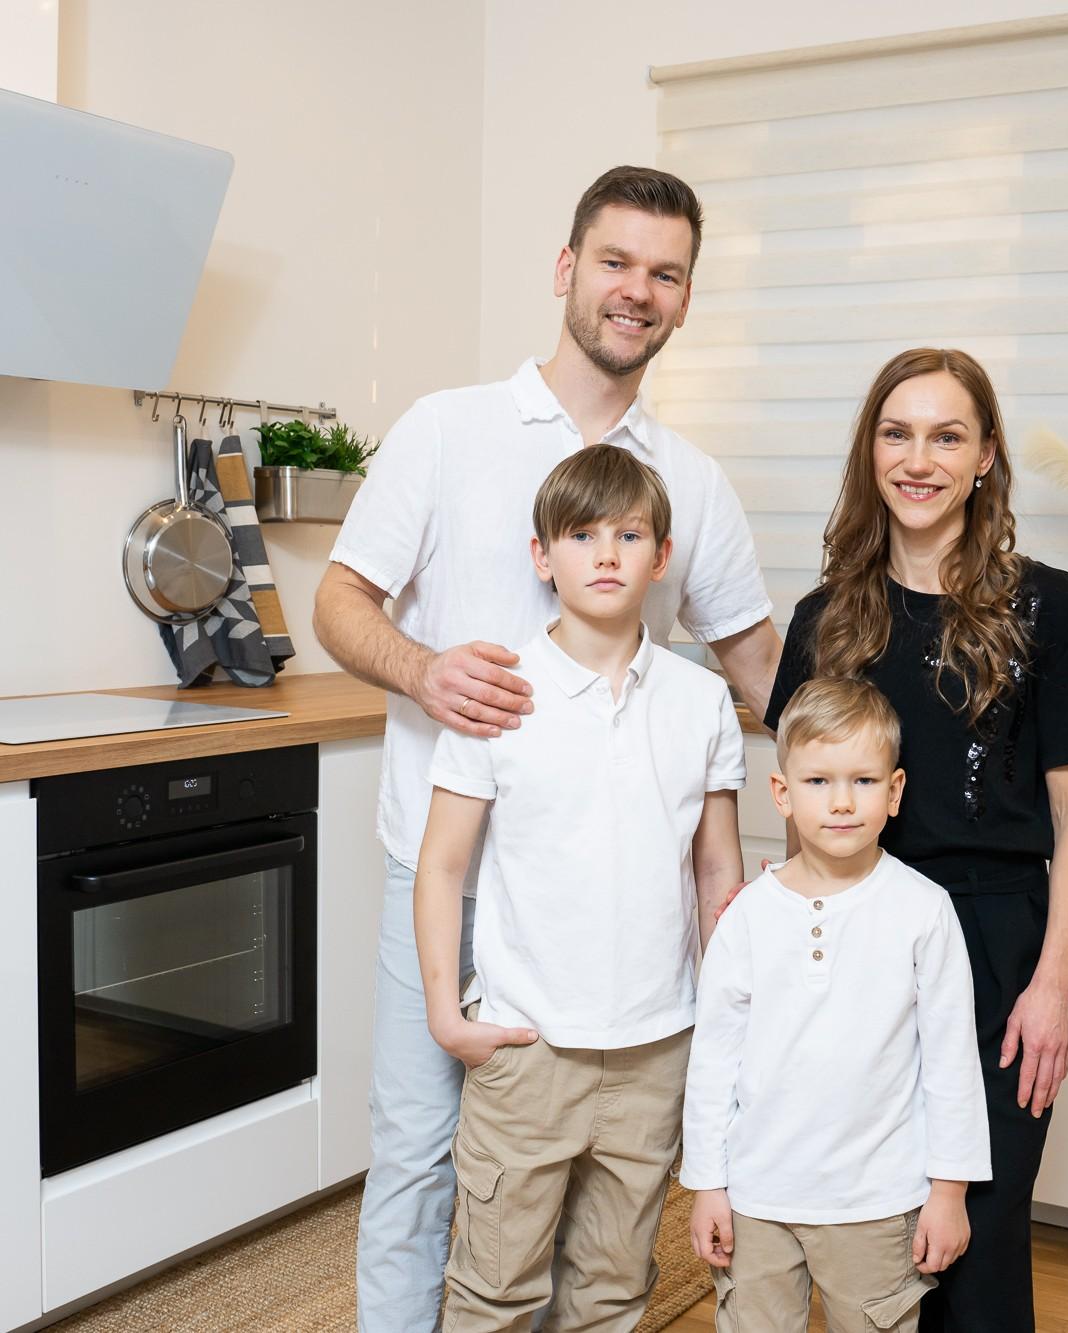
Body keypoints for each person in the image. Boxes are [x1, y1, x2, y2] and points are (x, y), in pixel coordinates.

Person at [312, 165, 782, 1333]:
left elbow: (763, 672)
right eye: (616, 263)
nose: (638, 291)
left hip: (609, 908)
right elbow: (338, 602)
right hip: (448, 870)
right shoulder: (446, 428)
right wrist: (423, 670)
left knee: (604, 1198)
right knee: (420, 1155)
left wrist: (886, 754)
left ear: (684, 298)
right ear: (566, 270)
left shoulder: (695, 485)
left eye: (665, 274)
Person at [763, 348, 1068, 1332]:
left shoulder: (1049, 608)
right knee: (873, 1233)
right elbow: (795, 793)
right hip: (855, 938)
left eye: (947, 435)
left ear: (984, 457)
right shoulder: (823, 618)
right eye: (897, 432)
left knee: (982, 1231)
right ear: (870, 451)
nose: (919, 458)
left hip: (995, 946)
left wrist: (1052, 987)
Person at [417, 444, 746, 1330]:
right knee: (494, 1289)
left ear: (660, 555)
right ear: (541, 555)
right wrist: (449, 1013)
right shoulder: (499, 693)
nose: (606, 553)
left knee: (611, 1288)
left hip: (656, 1049)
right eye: (582, 533)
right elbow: (442, 863)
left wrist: (727, 1013)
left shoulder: (700, 701)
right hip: (529, 1049)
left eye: (629, 533)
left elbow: (717, 868)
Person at [683, 677, 991, 1333]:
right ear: (782, 794)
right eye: (818, 781)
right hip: (756, 1200)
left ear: (895, 790)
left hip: (876, 1204)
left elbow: (950, 1065)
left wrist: (949, 1192)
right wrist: (707, 1183)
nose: (842, 801)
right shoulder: (745, 918)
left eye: (863, 780)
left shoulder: (922, 911)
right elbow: (712, 1062)